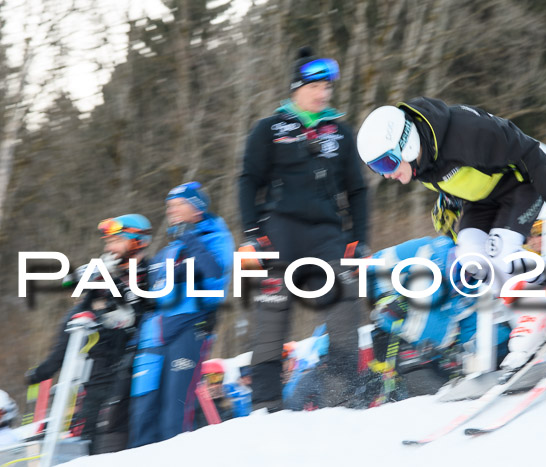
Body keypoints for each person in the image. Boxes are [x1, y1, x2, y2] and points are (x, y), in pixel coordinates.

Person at [356, 98, 546, 369]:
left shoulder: (466, 133)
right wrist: (450, 200)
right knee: (473, 264)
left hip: (516, 186)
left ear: (406, 143)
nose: (386, 175)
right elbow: (451, 172)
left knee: (504, 259)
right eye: (376, 168)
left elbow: (530, 151)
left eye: (386, 164)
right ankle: (538, 315)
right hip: (480, 201)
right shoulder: (419, 157)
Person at [238, 47, 368, 410]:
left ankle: (343, 392)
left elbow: (356, 190)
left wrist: (360, 239)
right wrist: (252, 231)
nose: (323, 93)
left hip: (327, 233)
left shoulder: (340, 132)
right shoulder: (269, 128)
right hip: (278, 231)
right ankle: (266, 403)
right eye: (315, 86)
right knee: (271, 314)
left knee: (345, 300)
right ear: (297, 87)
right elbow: (248, 180)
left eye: (327, 87)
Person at [25, 214, 153, 454]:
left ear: (137, 241)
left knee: (111, 427)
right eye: (107, 242)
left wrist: (112, 282)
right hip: (97, 364)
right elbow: (70, 290)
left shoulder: (149, 271)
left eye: (115, 241)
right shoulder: (107, 269)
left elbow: (139, 309)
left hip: (127, 365)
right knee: (87, 425)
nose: (109, 247)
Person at [129, 182, 234, 447]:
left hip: (191, 324)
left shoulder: (215, 234)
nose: (172, 211)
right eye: (169, 206)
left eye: (179, 205)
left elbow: (213, 270)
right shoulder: (170, 247)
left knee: (175, 408)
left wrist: (189, 237)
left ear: (197, 208)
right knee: (146, 408)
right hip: (159, 330)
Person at [366, 236, 511, 399]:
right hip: (394, 315)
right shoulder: (429, 250)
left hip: (428, 341)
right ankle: (377, 388)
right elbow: (376, 263)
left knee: (471, 342)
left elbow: (472, 330)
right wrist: (387, 298)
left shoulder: (471, 292)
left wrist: (496, 350)